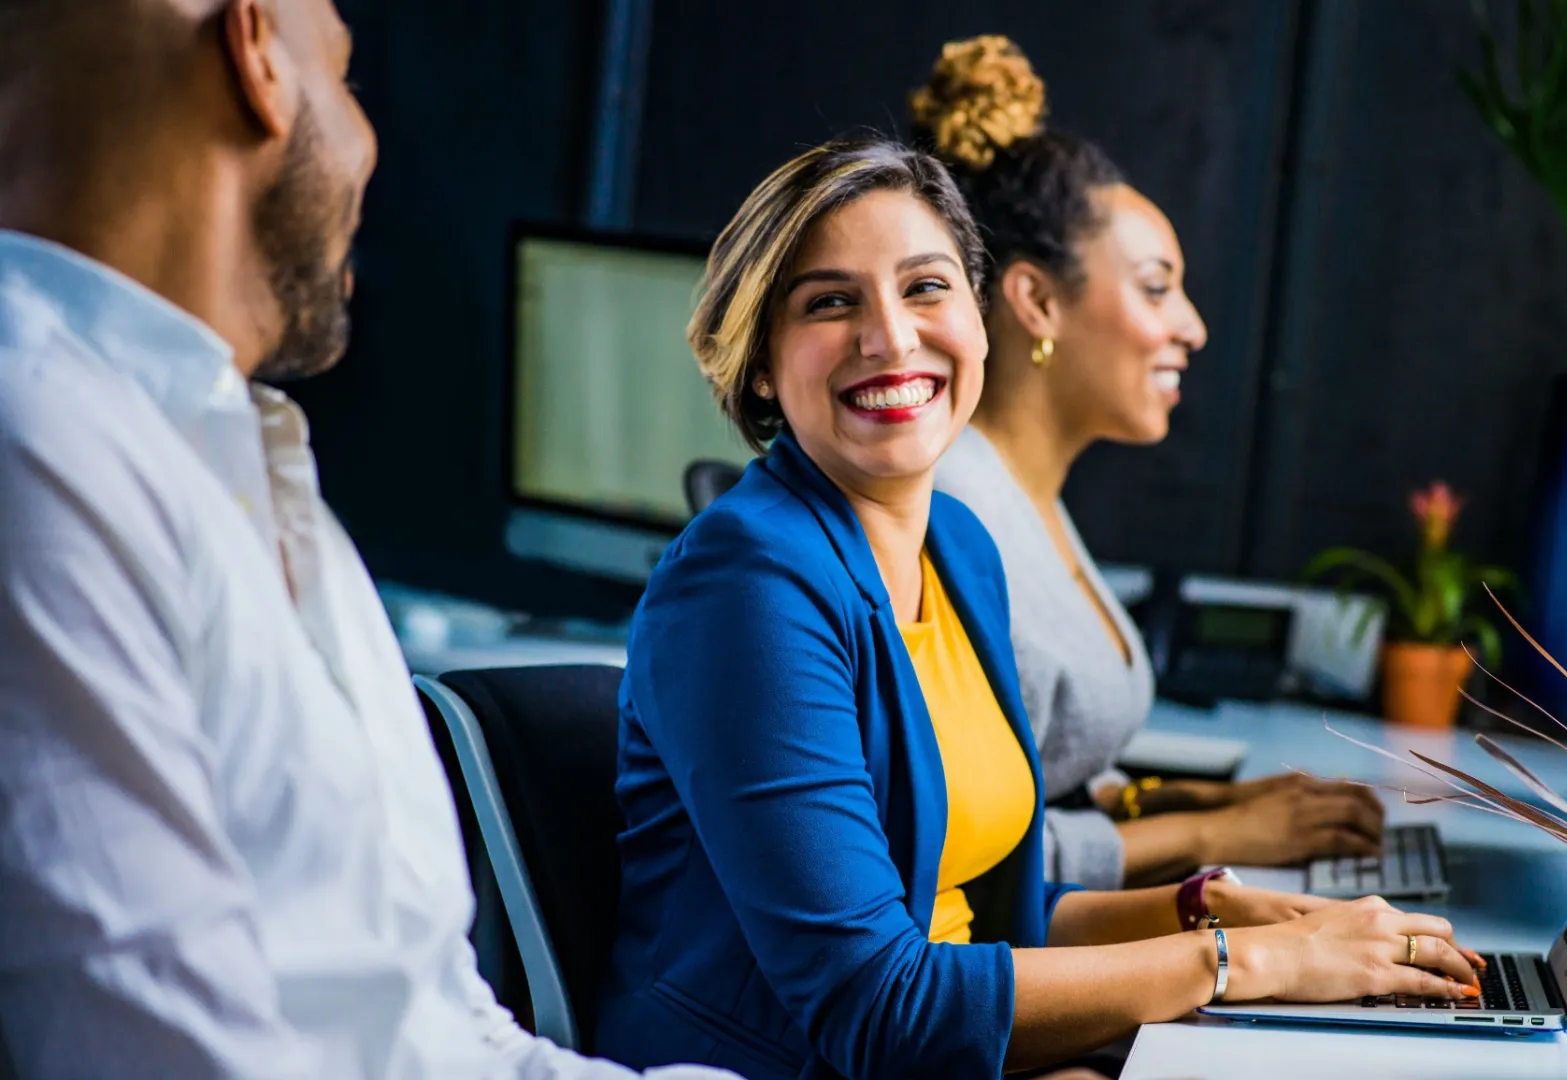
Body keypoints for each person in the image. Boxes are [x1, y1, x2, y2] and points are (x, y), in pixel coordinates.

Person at [596, 135, 1483, 1080]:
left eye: (927, 287)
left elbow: (998, 919)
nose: (892, 336)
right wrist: (1244, 963)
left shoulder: (960, 549)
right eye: (830, 302)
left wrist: (1213, 912)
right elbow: (875, 1007)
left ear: (980, 321)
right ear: (763, 365)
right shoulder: (747, 584)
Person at [0, 2, 728, 1077]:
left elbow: (438, 1031)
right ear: (258, 55)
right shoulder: (42, 444)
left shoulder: (253, 475)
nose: (369, 141)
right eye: (346, 76)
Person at [918, 35, 1386, 891]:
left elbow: (1044, 781)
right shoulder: (955, 516)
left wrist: (1198, 804)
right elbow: (966, 860)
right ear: (1037, 300)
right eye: (1156, 287)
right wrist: (1219, 834)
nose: (1193, 327)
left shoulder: (1027, 498)